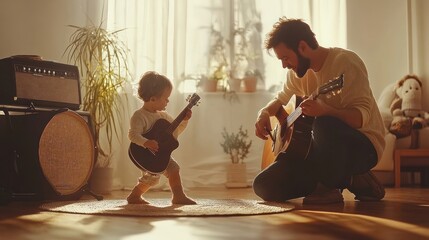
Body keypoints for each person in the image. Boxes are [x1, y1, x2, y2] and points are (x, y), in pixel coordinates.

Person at [253, 17, 386, 204]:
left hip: (363, 146)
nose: (284, 65)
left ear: (302, 47)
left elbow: (360, 119)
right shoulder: (297, 73)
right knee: (264, 184)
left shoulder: (346, 63)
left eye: (285, 58)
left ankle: (329, 188)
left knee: (324, 124)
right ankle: (348, 179)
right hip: (317, 152)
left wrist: (326, 110)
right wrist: (264, 113)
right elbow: (280, 99)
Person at [127, 71, 196, 205]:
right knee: (152, 178)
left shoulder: (163, 116)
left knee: (174, 169)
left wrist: (185, 120)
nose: (168, 101)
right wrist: (146, 142)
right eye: (165, 98)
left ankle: (178, 196)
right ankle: (134, 196)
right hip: (144, 154)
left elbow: (175, 132)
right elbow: (133, 135)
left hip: (160, 154)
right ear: (153, 99)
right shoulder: (139, 116)